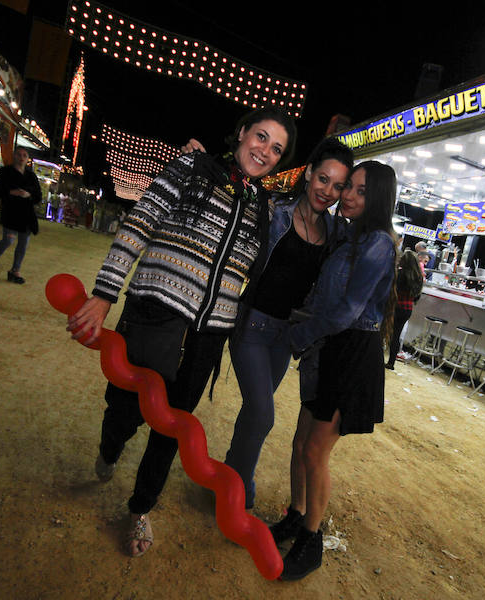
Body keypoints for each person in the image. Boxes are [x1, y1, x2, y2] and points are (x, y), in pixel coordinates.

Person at [65, 107, 296, 558]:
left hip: (208, 337)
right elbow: (140, 222)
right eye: (261, 137)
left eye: (276, 149)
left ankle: (140, 507)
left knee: (172, 429)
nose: (264, 151)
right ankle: (110, 447)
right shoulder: (193, 167)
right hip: (156, 314)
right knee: (125, 411)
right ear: (242, 133)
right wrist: (105, 293)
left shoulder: (263, 208)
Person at [271, 161, 398, 580]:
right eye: (348, 187)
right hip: (327, 348)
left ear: (377, 198)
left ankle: (311, 541)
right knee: (299, 444)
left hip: (350, 355)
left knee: (315, 452)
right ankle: (296, 515)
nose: (348, 196)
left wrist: (298, 334)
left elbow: (347, 311)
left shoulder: (378, 243)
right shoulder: (349, 238)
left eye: (361, 191)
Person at [223, 137, 353, 510]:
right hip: (251, 327)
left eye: (338, 186)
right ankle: (239, 494)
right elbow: (232, 196)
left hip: (286, 337)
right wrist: (201, 158)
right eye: (323, 179)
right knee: (263, 415)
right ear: (309, 173)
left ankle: (228, 480)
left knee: (253, 413)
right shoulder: (274, 209)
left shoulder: (336, 235)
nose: (327, 191)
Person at [0, 146, 41, 284]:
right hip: (11, 211)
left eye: (24, 155)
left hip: (26, 214)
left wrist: (28, 194)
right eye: (19, 154)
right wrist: (11, 192)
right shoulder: (6, 172)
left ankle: (15, 270)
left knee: (23, 244)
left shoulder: (31, 176)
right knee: (8, 240)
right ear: (14, 156)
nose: (21, 158)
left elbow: (38, 195)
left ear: (27, 159)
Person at [385, 249, 424, 370]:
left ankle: (377, 357)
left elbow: (392, 290)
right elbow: (417, 296)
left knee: (385, 333)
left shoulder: (400, 274)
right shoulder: (419, 277)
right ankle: (391, 362)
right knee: (396, 335)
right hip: (407, 309)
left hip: (395, 307)